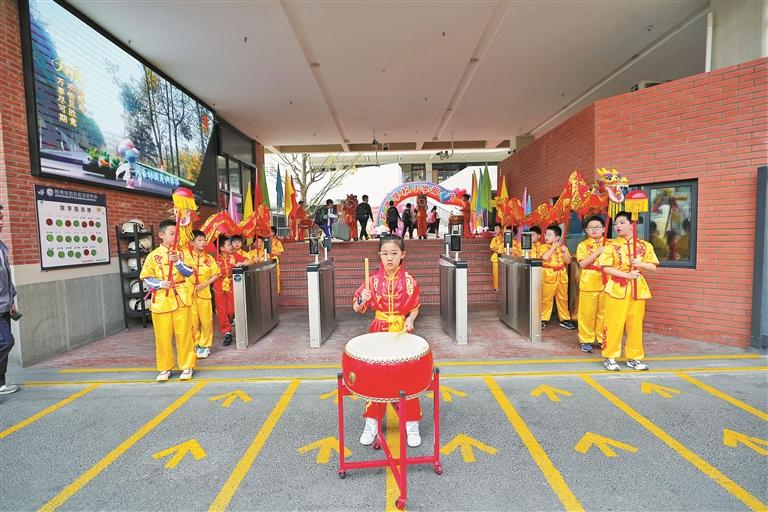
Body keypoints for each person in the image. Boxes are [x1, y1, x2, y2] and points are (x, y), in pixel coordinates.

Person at [352, 234, 422, 448]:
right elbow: (358, 308)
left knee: (406, 380)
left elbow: (415, 308)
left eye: (394, 253)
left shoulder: (410, 281)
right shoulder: (371, 281)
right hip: (378, 332)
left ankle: (411, 425)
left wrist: (409, 319)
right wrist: (362, 299)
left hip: (401, 332)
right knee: (375, 379)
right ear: (379, 256)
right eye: (385, 254)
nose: (389, 258)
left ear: (403, 255)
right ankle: (371, 423)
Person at [598, 211, 659, 371]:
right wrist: (627, 274)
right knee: (614, 324)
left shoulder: (645, 246)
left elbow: (652, 267)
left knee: (635, 324)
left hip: (637, 289)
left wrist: (641, 263)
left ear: (633, 224)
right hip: (617, 289)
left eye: (622, 222)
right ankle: (610, 356)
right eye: (616, 223)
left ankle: (634, 357)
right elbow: (605, 268)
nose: (617, 226)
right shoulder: (611, 245)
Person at [140, 219, 196, 381]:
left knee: (184, 334)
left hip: (180, 298)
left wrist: (177, 262)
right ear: (161, 235)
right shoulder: (153, 256)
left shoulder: (183, 252)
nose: (175, 236)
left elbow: (190, 272)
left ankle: (187, 366)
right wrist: (160, 284)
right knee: (162, 336)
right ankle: (165, 367)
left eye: (176, 233)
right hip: (162, 301)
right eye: (172, 233)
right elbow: (146, 278)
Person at [186, 230, 220, 359]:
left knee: (206, 321)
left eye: (204, 240)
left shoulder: (209, 258)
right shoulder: (186, 257)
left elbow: (216, 274)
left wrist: (204, 284)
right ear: (192, 242)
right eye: (199, 240)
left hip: (204, 294)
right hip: (190, 295)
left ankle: (205, 345)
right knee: (192, 322)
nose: (203, 243)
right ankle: (196, 344)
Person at [575, 216, 607, 353]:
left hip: (607, 281)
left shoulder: (611, 244)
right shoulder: (582, 245)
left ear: (604, 229)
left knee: (603, 313)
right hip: (589, 281)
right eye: (590, 227)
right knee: (587, 313)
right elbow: (582, 264)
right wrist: (598, 252)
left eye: (597, 227)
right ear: (586, 230)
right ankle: (586, 339)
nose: (594, 230)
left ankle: (602, 339)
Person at [539, 225, 576, 330]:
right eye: (546, 234)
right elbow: (545, 258)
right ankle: (542, 318)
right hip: (548, 274)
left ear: (557, 238)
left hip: (561, 275)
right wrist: (553, 248)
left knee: (563, 298)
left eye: (550, 234)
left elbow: (568, 261)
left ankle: (564, 319)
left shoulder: (563, 248)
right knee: (546, 298)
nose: (546, 236)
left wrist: (564, 252)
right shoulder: (543, 246)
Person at [0, 204, 19, 396]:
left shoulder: (1, 246)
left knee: (4, 342)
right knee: (6, 342)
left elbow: (6, 277)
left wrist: (11, 300)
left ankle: (1, 383)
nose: (1, 222)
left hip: (4, 305)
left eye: (2, 217)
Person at [213, 236, 236, 346]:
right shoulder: (214, 260)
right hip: (219, 285)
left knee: (231, 309)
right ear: (222, 248)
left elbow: (247, 261)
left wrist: (241, 264)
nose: (231, 246)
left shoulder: (234, 256)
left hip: (231, 284)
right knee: (221, 310)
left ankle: (230, 322)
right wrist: (214, 268)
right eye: (228, 245)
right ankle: (226, 332)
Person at [269, 226, 285, 293]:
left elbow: (280, 253)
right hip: (265, 262)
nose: (269, 233)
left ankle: (277, 291)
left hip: (274, 262)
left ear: (273, 233)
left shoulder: (277, 242)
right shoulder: (264, 241)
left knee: (276, 277)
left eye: (270, 231)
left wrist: (272, 252)